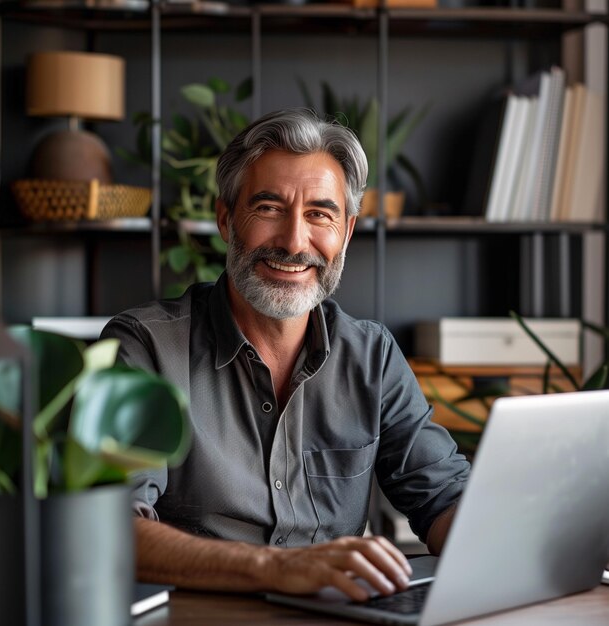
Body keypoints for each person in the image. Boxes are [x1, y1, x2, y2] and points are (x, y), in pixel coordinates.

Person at [101, 108, 470, 601]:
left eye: (320, 213)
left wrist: (517, 546)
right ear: (226, 218)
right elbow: (108, 529)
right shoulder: (144, 349)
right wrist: (274, 568)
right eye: (269, 208)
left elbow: (445, 499)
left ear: (347, 231)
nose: (295, 242)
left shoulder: (371, 357)